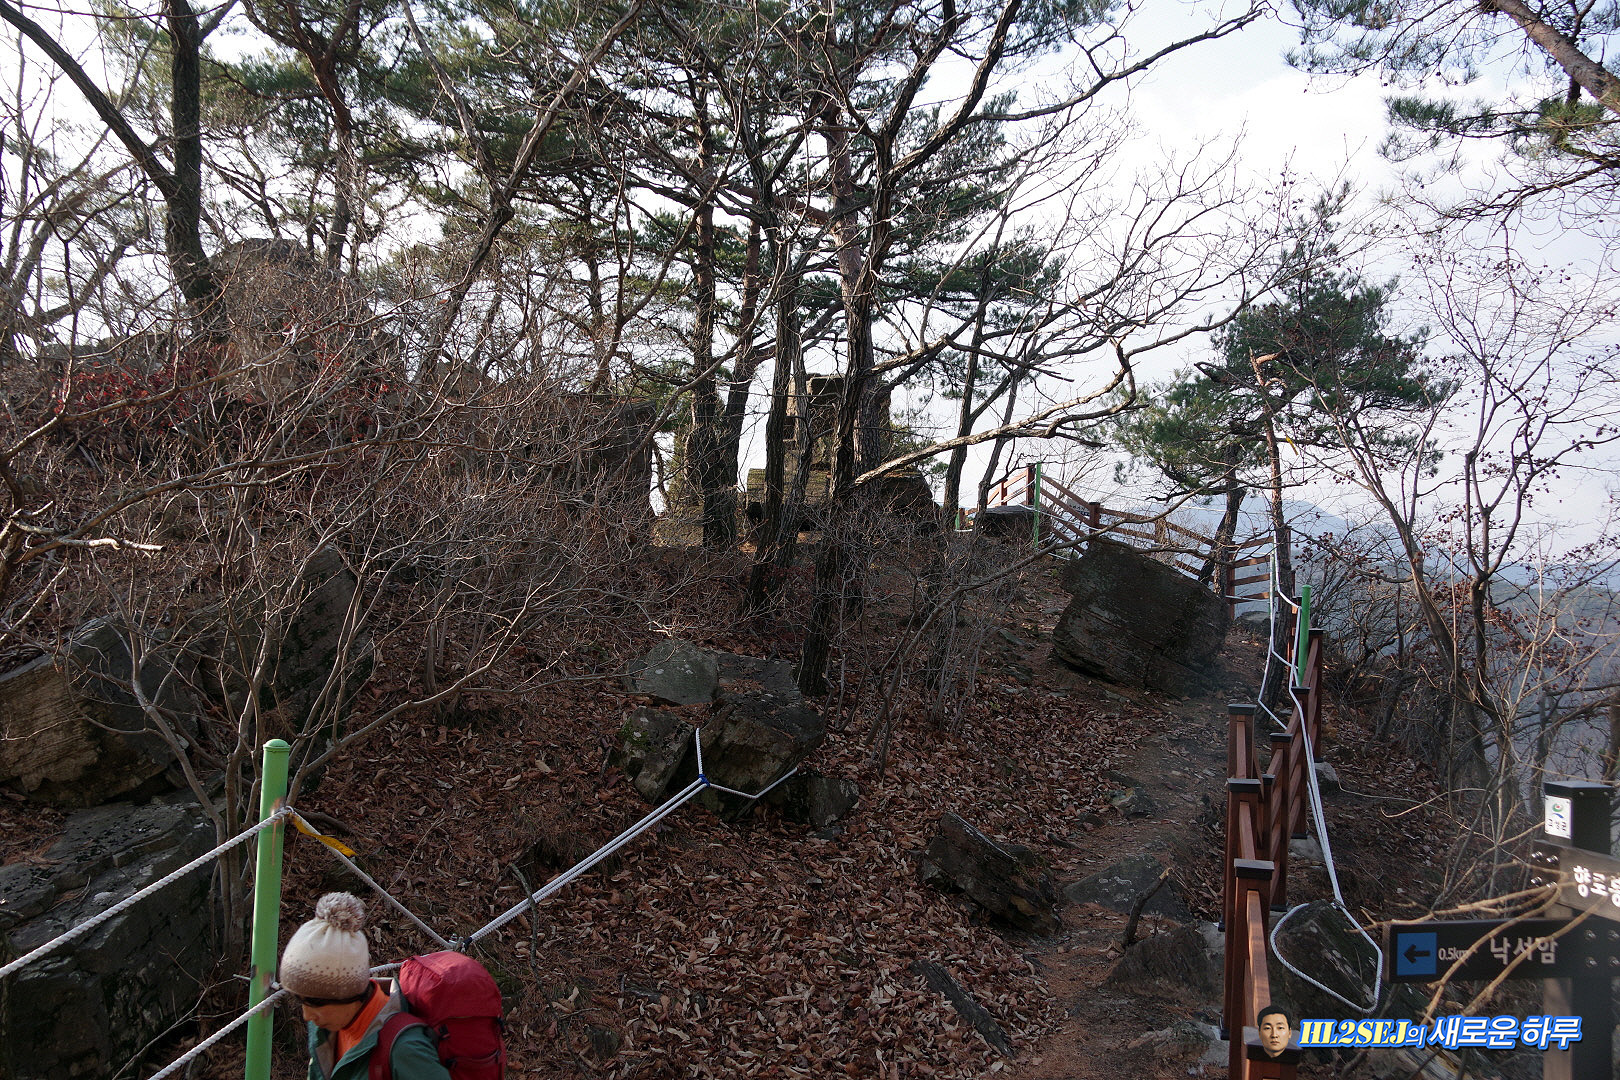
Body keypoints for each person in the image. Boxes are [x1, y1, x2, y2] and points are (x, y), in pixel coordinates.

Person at [278, 892, 450, 1080]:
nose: (306, 1015)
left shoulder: (405, 1050)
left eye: (315, 1002)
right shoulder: (325, 1031)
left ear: (348, 993)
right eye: (300, 999)